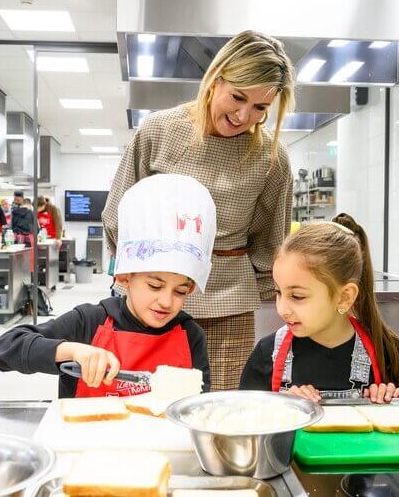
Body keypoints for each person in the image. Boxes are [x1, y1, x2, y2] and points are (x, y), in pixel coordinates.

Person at [102, 30, 295, 391]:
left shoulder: (272, 158)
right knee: (145, 400)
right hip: (153, 296)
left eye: (260, 108)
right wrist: (128, 281)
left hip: (229, 306)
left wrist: (275, 295)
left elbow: (271, 240)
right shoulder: (160, 131)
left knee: (219, 406)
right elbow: (118, 214)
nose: (243, 115)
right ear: (216, 79)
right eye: (237, 97)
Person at [0, 175, 215, 398]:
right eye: (155, 286)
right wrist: (73, 350)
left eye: (180, 291)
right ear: (125, 277)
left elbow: (198, 405)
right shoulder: (88, 322)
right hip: (88, 434)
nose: (167, 302)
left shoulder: (190, 335)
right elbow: (2, 350)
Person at [239, 214, 399, 404]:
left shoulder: (383, 349)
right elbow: (247, 419)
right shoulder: (267, 353)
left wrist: (389, 398)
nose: (282, 309)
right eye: (278, 292)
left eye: (297, 296)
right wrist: (282, 407)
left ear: (345, 297)